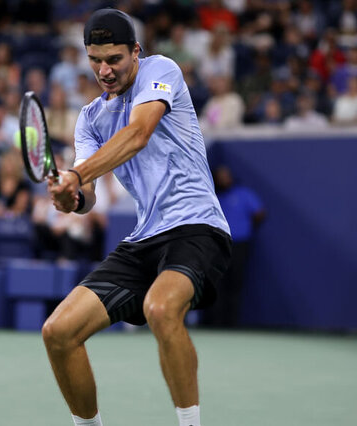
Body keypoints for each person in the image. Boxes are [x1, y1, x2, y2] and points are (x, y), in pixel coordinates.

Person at [43, 9, 231, 426]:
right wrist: (71, 196)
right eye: (95, 60)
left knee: (161, 310)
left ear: (136, 52)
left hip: (197, 226)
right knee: (58, 333)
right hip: (144, 237)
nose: (104, 70)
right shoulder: (89, 118)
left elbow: (138, 133)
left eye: (114, 59)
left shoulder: (161, 70)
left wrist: (76, 174)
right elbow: (88, 196)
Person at [210, 165, 264, 327]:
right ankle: (215, 323)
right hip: (217, 247)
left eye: (226, 175)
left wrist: (244, 229)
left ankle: (232, 323)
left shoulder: (243, 194)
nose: (224, 179)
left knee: (235, 283)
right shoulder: (212, 197)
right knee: (216, 284)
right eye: (221, 176)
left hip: (239, 246)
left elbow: (260, 213)